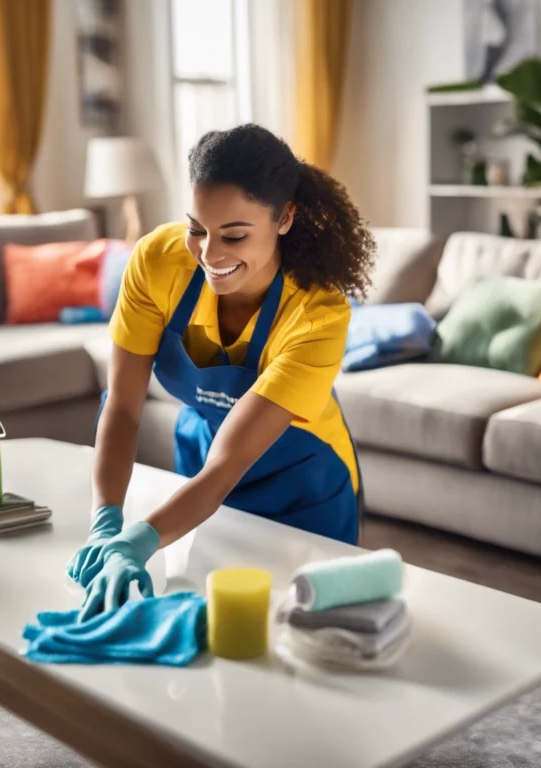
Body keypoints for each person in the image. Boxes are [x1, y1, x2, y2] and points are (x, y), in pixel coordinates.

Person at [67, 123, 376, 620]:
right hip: (202, 461)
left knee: (305, 641)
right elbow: (123, 407)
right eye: (197, 229)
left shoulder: (318, 314)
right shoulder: (156, 263)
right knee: (213, 622)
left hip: (305, 483)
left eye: (234, 235)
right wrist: (106, 519)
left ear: (284, 218)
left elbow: (228, 465)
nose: (209, 255)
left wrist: (136, 543)